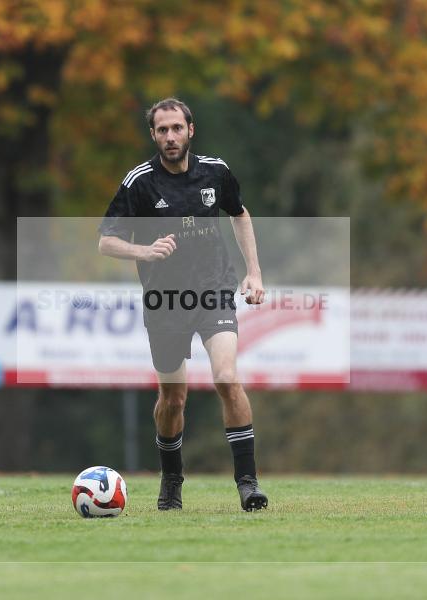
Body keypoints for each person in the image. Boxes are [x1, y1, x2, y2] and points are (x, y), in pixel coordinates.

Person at [98, 97, 268, 512]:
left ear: (191, 130)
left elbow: (239, 213)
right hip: (165, 300)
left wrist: (254, 272)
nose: (170, 136)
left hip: (213, 291)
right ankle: (171, 480)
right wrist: (145, 251)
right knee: (173, 400)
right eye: (162, 130)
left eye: (177, 128)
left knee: (227, 377)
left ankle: (248, 484)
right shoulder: (140, 182)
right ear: (153, 135)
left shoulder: (216, 172)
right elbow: (106, 241)